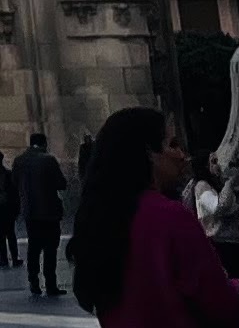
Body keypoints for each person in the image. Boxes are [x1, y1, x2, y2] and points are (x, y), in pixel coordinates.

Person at [70, 109, 239, 326]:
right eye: (173, 145)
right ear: (149, 153)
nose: (182, 155)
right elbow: (221, 303)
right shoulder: (171, 217)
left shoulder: (100, 221)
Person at [19, 129, 69, 298]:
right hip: (49, 211)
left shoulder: (20, 161)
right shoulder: (48, 160)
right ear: (44, 144)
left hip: (30, 212)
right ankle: (51, 284)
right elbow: (61, 183)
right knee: (50, 249)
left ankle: (33, 282)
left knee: (33, 247)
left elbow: (15, 183)